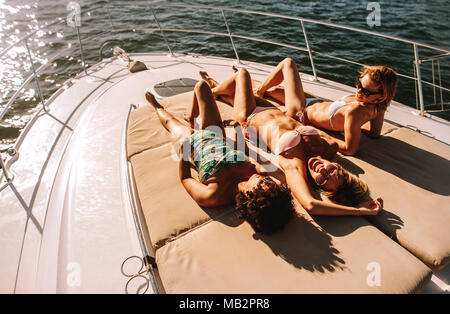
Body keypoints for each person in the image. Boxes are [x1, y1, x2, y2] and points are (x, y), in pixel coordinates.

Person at [195, 68, 383, 216]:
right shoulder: (329, 148)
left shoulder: (295, 165)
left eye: (322, 179)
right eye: (331, 171)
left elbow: (310, 205)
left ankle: (212, 90)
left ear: (318, 185)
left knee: (242, 74)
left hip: (250, 116)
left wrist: (360, 211)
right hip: (273, 110)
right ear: (337, 166)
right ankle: (216, 87)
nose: (322, 170)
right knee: (236, 91)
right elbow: (349, 145)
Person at [144, 81, 294, 234]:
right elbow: (245, 151)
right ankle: (192, 116)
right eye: (270, 182)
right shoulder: (256, 172)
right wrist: (237, 131)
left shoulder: (213, 196)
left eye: (263, 185)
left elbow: (186, 179)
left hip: (192, 143)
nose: (266, 179)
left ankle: (156, 106)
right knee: (202, 86)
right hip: (215, 134)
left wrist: (184, 151)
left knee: (171, 123)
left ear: (251, 196)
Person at [253, 58, 398, 155]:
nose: (358, 91)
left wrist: (321, 134)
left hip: (301, 112)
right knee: (273, 91)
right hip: (313, 103)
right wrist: (351, 127)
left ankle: (257, 92)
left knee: (288, 63)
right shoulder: (378, 107)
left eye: (365, 91)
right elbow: (374, 133)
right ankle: (260, 91)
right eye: (359, 84)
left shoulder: (355, 112)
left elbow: (349, 150)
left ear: (381, 96)